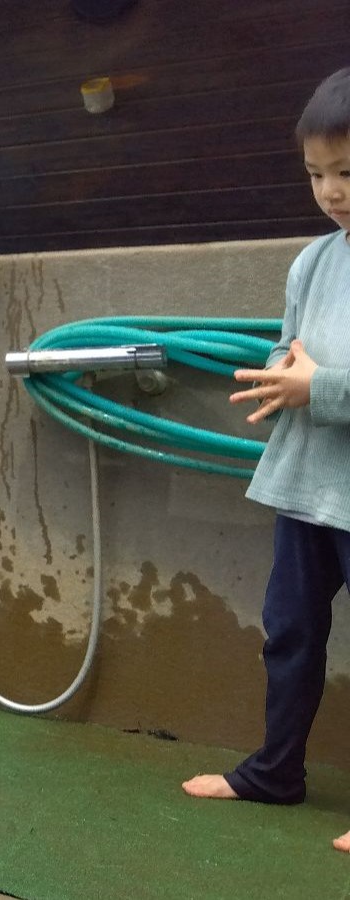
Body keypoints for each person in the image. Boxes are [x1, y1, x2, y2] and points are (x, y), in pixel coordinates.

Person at [183, 67, 350, 852]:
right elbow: (290, 344)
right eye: (317, 173)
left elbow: (322, 378)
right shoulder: (313, 261)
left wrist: (320, 387)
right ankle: (276, 773)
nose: (331, 191)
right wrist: (284, 371)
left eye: (347, 172)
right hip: (308, 490)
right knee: (288, 633)